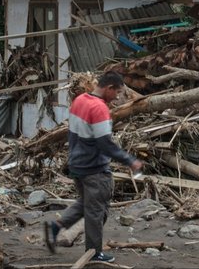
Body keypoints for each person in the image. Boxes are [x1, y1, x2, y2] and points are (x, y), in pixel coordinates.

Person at [44, 71, 142, 263]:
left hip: (76, 163)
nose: (117, 98)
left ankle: (57, 226)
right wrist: (130, 160)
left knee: (87, 203)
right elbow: (105, 143)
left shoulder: (80, 100)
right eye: (117, 93)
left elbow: (72, 133)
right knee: (97, 211)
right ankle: (94, 253)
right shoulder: (100, 109)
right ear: (109, 88)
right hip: (94, 168)